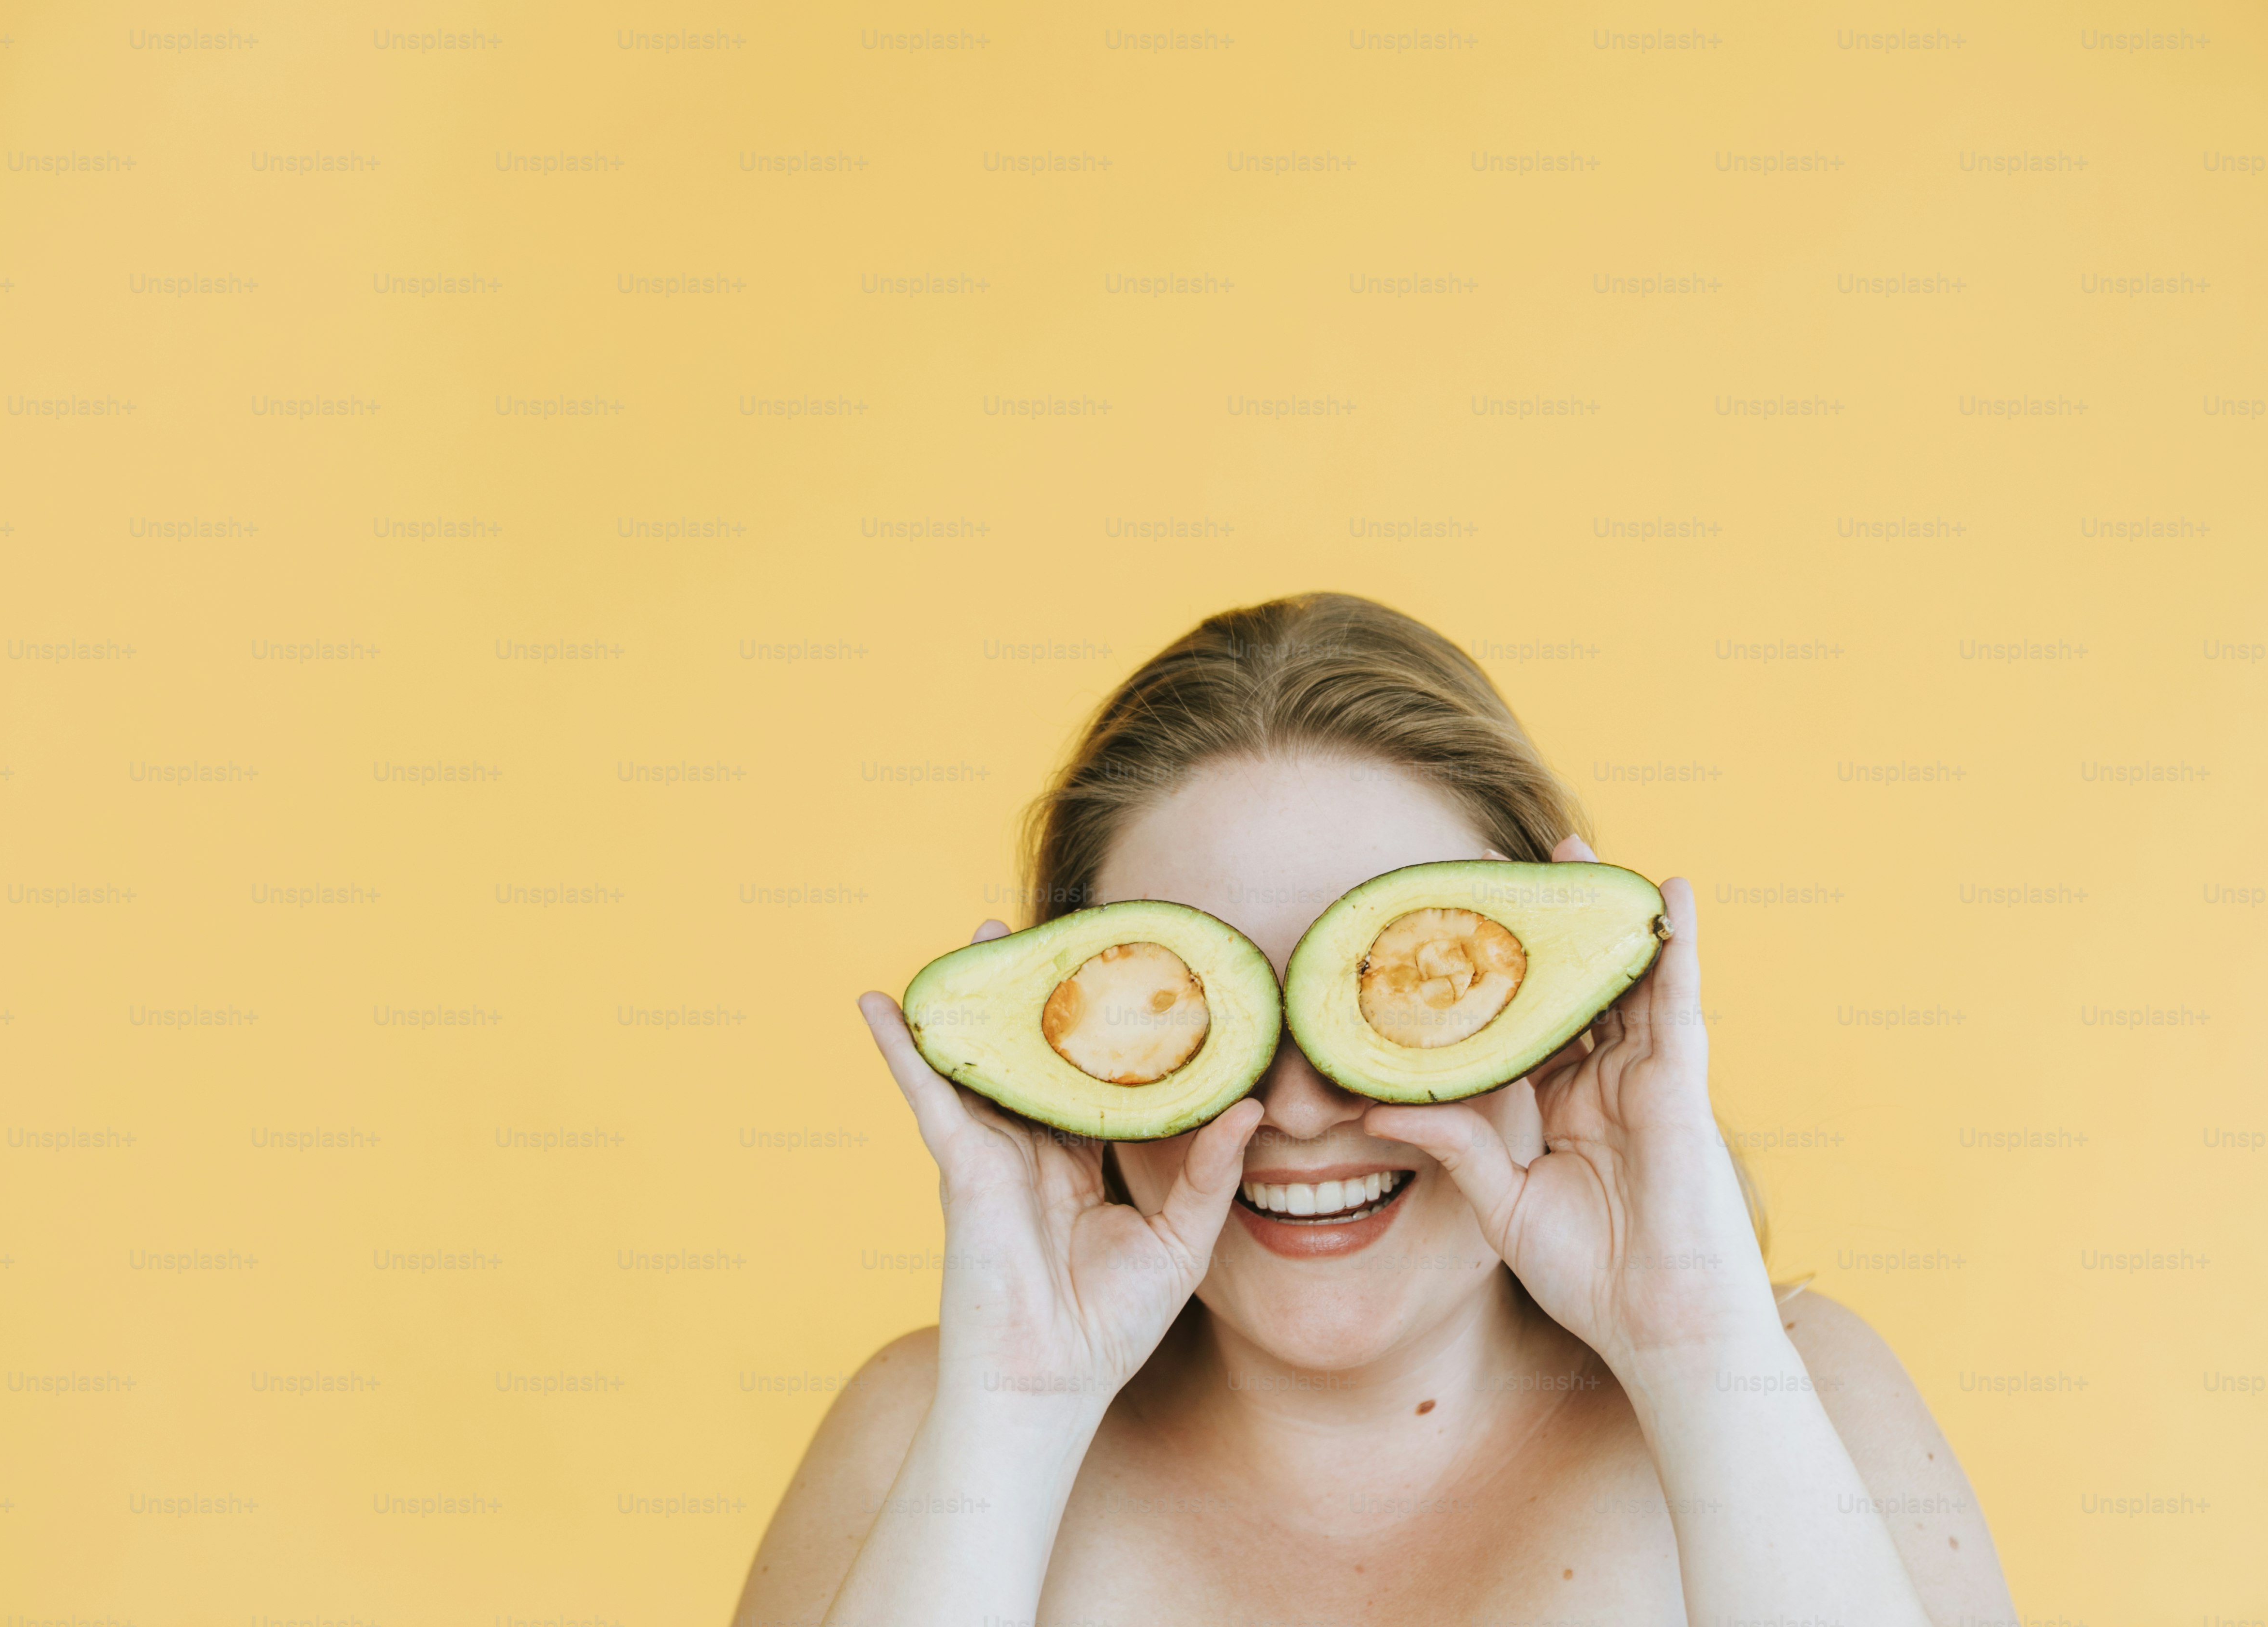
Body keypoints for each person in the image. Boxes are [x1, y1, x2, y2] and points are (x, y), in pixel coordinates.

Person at [736, 593, 2012, 1625]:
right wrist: (1015, 1414)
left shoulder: (1801, 1395)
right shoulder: (926, 1435)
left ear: (1556, 1016)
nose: (1298, 1107)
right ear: (1073, 1068)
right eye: (1176, 1016)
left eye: (1412, 989)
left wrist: (1695, 1351)